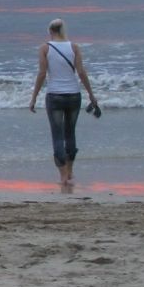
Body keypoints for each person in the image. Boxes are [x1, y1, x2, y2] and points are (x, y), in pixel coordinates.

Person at [29, 18, 99, 188]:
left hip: (54, 96)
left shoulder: (45, 48)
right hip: (74, 95)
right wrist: (91, 95)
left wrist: (34, 97)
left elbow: (42, 74)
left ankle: (63, 176)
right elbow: (81, 72)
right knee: (70, 134)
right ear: (63, 30)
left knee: (57, 135)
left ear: (50, 31)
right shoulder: (74, 47)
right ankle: (70, 171)